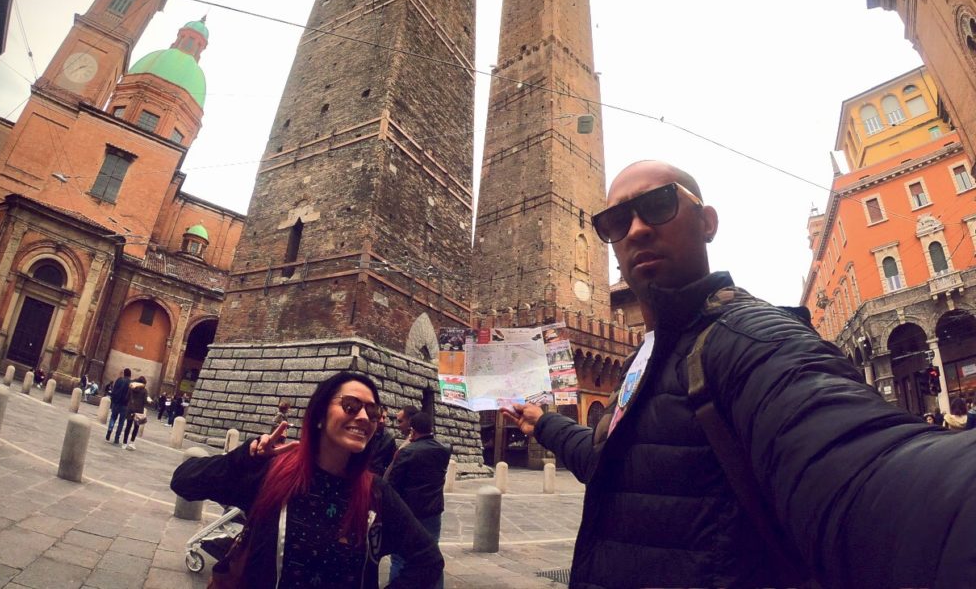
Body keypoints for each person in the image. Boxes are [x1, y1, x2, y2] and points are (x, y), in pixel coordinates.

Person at [503, 159, 976, 588]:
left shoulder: (749, 337)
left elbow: (862, 468)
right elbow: (622, 465)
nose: (637, 229)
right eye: (616, 221)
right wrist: (544, 423)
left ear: (707, 223)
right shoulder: (646, 356)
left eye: (659, 204)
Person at [170, 370, 443, 588]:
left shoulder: (376, 493)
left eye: (372, 413)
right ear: (320, 416)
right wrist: (247, 456)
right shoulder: (271, 473)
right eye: (350, 406)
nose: (363, 417)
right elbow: (184, 481)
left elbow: (428, 560)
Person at [386, 411, 450, 588]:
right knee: (432, 554)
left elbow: (391, 483)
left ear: (413, 430)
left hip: (408, 513)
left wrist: (400, 451)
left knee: (400, 557)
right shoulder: (445, 449)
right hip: (433, 512)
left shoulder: (407, 452)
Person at [121, 375, 148, 450]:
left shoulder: (131, 389)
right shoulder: (144, 391)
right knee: (136, 427)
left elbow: (127, 398)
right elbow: (145, 401)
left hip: (130, 409)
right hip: (139, 411)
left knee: (128, 426)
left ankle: (124, 443)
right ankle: (132, 443)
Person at [106, 368, 131, 445]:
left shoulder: (119, 380)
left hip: (116, 403)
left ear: (124, 373)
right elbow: (130, 395)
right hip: (124, 405)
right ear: (130, 375)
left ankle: (109, 431)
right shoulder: (130, 383)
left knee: (113, 418)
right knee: (121, 422)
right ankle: (117, 438)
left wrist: (113, 401)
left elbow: (114, 391)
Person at [367, 410, 397, 475]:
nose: (381, 421)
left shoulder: (389, 438)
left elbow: (391, 462)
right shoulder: (365, 433)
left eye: (384, 417)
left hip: (377, 476)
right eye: (379, 417)